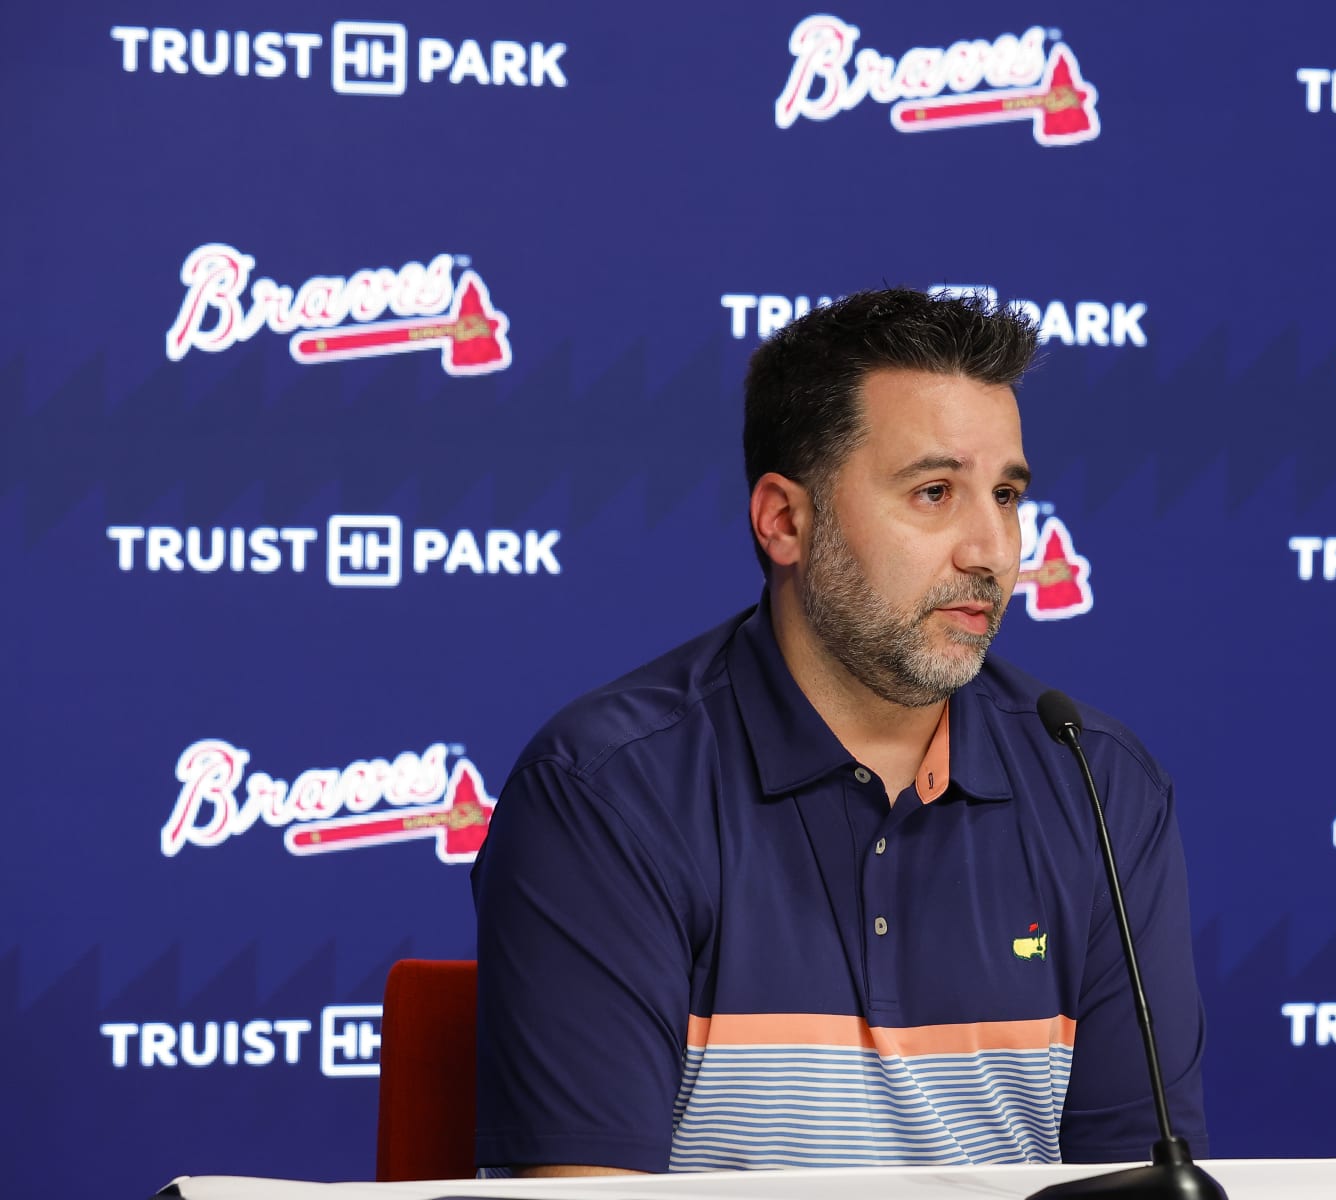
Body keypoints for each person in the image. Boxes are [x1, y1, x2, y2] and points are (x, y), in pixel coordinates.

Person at [472, 288, 1209, 1176]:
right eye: (935, 492)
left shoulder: (1098, 782)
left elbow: (1136, 1181)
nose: (992, 550)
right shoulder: (605, 790)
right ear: (785, 520)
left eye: (1007, 494)